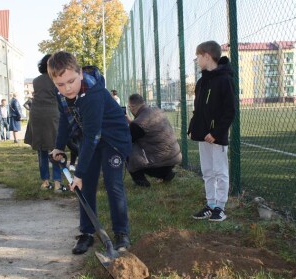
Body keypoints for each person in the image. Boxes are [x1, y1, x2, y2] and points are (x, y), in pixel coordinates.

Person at [49, 51, 132, 254]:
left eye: (71, 81)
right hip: (91, 139)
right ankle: (87, 233)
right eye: (60, 84)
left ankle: (121, 233)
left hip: (112, 140)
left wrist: (77, 173)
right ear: (53, 81)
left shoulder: (93, 94)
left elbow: (93, 136)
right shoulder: (62, 95)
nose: (67, 88)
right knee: (85, 186)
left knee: (113, 185)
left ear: (79, 73)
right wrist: (59, 146)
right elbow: (64, 122)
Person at [188, 41, 236, 222]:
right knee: (207, 170)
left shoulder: (225, 80)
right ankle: (210, 204)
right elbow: (198, 109)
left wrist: (216, 133)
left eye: (198, 56)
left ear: (207, 56)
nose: (197, 60)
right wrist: (194, 128)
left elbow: (229, 111)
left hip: (217, 136)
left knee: (220, 171)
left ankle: (220, 207)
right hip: (203, 136)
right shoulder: (201, 82)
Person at [26, 54, 65, 192]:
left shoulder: (36, 80)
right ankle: (57, 183)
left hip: (36, 115)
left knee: (41, 150)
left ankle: (45, 182)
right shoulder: (56, 79)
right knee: (56, 149)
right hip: (52, 115)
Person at [126, 93, 181, 187]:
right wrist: (131, 122)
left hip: (159, 160)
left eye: (129, 107)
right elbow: (145, 128)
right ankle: (166, 174)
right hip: (173, 156)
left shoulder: (139, 123)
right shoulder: (156, 110)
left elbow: (129, 138)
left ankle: (141, 182)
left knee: (128, 148)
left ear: (133, 107)